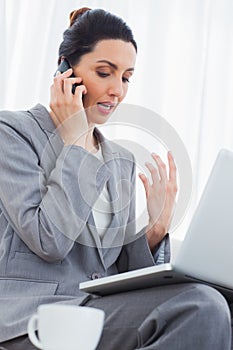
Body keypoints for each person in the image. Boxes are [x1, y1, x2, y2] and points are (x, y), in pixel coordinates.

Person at [0, 7, 231, 350]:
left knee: (218, 302)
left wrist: (153, 233)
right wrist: (75, 141)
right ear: (66, 69)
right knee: (200, 306)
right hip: (35, 317)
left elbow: (121, 273)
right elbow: (48, 240)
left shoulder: (119, 160)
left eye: (125, 78)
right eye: (104, 72)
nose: (117, 91)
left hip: (96, 311)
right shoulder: (14, 133)